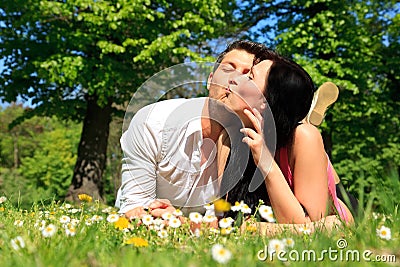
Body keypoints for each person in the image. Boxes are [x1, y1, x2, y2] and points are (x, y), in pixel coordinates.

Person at [221, 55, 357, 230]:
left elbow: (315, 229)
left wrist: (265, 162)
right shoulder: (236, 139)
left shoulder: (304, 136)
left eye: (250, 77)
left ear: (265, 102)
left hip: (343, 217)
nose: (235, 80)